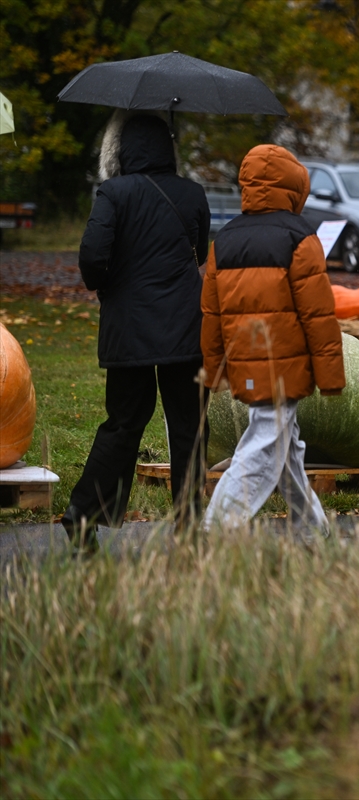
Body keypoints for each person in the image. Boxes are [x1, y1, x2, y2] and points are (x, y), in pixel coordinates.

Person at [63, 112, 211, 546]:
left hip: (128, 328)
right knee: (188, 428)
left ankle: (82, 512)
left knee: (123, 423)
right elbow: (198, 252)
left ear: (122, 150)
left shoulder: (113, 192)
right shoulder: (193, 193)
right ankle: (189, 527)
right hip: (185, 328)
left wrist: (107, 286)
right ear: (169, 149)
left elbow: (92, 255)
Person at [200, 144, 344, 535]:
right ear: (296, 188)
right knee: (264, 443)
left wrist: (214, 370)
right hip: (286, 363)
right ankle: (216, 528)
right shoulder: (300, 237)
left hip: (245, 363)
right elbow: (318, 314)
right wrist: (330, 375)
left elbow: (210, 315)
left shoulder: (224, 240)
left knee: (286, 445)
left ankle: (314, 530)